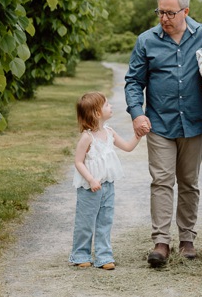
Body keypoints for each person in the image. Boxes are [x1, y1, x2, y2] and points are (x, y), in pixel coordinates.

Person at [124, 0, 202, 267]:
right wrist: (137, 114)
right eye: (160, 12)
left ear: (186, 12)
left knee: (189, 182)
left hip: (194, 121)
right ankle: (161, 242)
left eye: (170, 12)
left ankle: (187, 238)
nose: (164, 18)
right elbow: (133, 81)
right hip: (159, 123)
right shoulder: (146, 41)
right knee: (162, 181)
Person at [69, 91, 142, 270]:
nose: (111, 107)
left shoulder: (109, 132)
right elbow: (78, 161)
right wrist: (91, 179)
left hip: (108, 186)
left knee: (105, 220)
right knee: (85, 222)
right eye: (107, 105)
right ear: (96, 113)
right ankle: (80, 254)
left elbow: (127, 147)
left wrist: (138, 136)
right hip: (90, 187)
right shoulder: (87, 137)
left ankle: (104, 255)